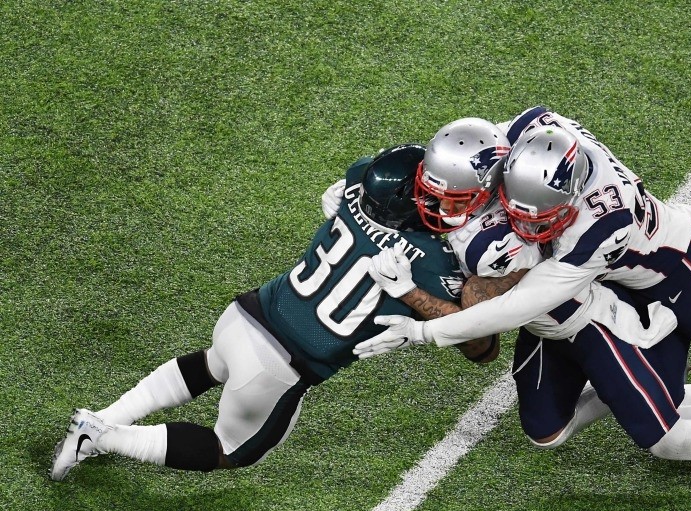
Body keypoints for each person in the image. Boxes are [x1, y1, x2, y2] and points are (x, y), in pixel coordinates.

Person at [354, 108, 691, 507]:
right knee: (642, 409)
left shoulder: (598, 224)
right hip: (618, 291)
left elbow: (518, 304)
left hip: (682, 269)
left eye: (537, 219)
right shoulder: (528, 142)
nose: (527, 226)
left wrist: (423, 332)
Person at [50, 144, 497, 481]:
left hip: (245, 315)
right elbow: (481, 347)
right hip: (278, 367)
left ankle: (103, 420)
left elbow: (364, 176)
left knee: (211, 364)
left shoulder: (361, 180)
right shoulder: (430, 258)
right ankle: (103, 435)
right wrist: (426, 294)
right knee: (231, 451)